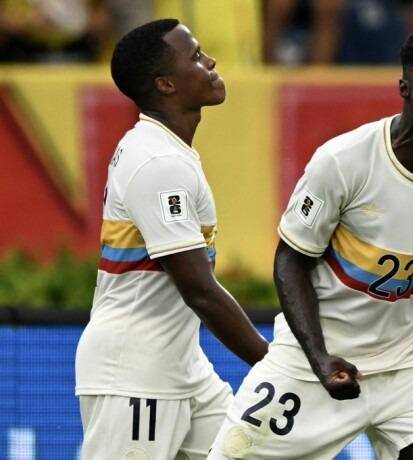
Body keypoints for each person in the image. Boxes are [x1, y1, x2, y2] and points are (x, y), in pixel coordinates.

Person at [208, 24, 413, 460]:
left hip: (408, 365)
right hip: (314, 361)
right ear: (405, 87)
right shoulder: (343, 162)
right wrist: (319, 357)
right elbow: (291, 262)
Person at [74, 19, 268, 460]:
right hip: (134, 374)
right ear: (166, 84)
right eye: (196, 57)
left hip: (183, 369)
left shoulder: (165, 150)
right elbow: (199, 290)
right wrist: (273, 364)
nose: (211, 61)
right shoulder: (158, 163)